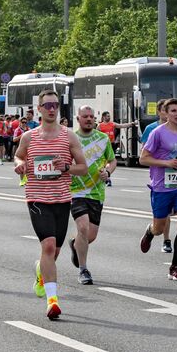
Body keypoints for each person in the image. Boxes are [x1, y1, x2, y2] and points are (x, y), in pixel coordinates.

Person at [14, 89, 87, 321]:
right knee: (48, 246)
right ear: (39, 109)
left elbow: (83, 167)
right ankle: (52, 301)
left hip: (62, 199)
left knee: (54, 251)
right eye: (47, 105)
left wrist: (66, 167)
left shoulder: (69, 136)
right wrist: (19, 165)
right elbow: (19, 156)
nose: (52, 109)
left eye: (55, 105)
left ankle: (40, 271)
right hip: (37, 198)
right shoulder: (29, 137)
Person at [141, 98, 177, 281]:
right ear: (166, 113)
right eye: (173, 110)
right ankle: (150, 232)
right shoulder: (157, 133)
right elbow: (144, 158)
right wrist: (166, 163)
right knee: (159, 228)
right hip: (161, 186)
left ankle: (174, 267)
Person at [67, 106, 118, 286]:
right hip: (76, 191)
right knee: (83, 227)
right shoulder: (70, 139)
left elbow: (112, 160)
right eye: (85, 116)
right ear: (78, 118)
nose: (88, 119)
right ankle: (83, 270)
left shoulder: (103, 139)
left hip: (97, 191)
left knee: (91, 235)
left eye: (91, 116)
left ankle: (75, 244)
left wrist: (108, 172)